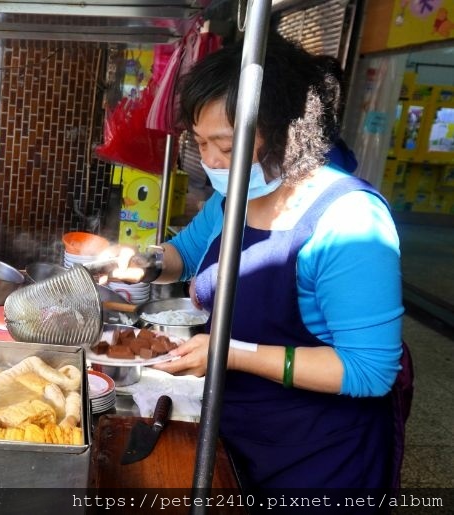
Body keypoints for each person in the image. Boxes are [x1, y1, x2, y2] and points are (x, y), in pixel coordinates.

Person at [109, 33, 404, 503]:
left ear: (289, 133)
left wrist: (232, 352)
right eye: (200, 142)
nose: (209, 161)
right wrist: (140, 263)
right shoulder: (233, 198)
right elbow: (184, 256)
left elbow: (368, 369)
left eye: (225, 146)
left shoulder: (351, 221)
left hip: (320, 459)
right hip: (235, 433)